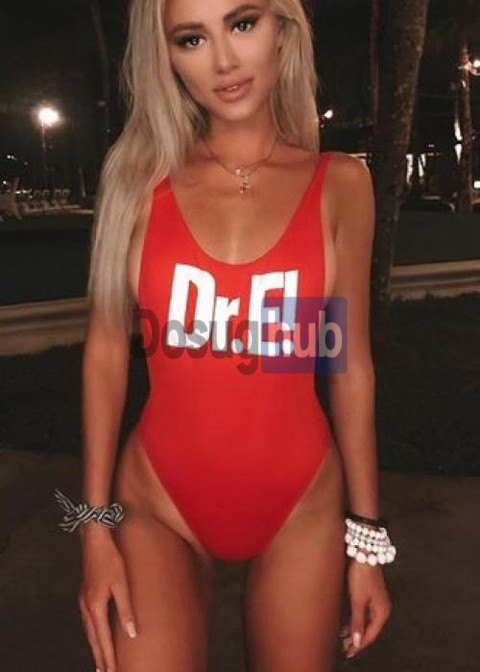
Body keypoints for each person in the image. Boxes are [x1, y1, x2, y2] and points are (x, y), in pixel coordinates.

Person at [54, 1, 396, 670]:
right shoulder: (137, 183)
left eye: (242, 24)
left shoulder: (340, 184)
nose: (223, 60)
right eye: (191, 38)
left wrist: (367, 543)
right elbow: (105, 356)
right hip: (158, 503)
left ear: (283, 29)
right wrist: (93, 529)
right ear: (166, 57)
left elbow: (349, 365)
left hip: (301, 505)